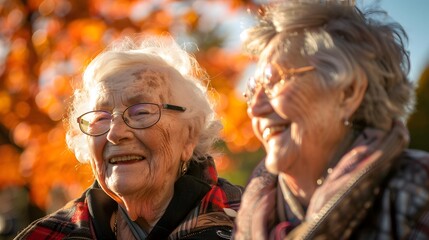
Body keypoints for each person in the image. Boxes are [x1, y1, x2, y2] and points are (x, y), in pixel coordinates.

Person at [233, 1, 429, 239]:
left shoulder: (415, 191)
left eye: (275, 81)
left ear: (348, 92)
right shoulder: (249, 215)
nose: (254, 108)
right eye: (253, 90)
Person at [15, 35, 242, 239]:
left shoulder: (253, 221)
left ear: (189, 135)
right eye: (100, 117)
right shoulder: (49, 235)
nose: (115, 134)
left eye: (142, 112)